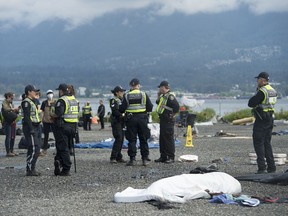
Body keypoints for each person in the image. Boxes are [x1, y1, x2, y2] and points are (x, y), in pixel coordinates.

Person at [248, 72, 277, 174]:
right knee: (267, 143)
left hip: (261, 119)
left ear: (262, 80)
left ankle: (262, 168)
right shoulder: (273, 90)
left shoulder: (262, 91)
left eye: (258, 79)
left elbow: (251, 103)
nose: (257, 81)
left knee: (258, 142)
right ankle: (272, 167)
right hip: (270, 118)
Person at [120, 78, 153, 166]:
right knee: (143, 139)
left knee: (132, 139)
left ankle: (132, 159)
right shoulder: (143, 94)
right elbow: (150, 107)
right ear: (138, 85)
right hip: (142, 118)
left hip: (131, 119)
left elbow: (121, 109)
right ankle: (144, 159)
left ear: (130, 86)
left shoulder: (127, 95)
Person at [53, 83, 79, 176]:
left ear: (61, 91)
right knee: (66, 146)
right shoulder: (74, 99)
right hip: (73, 126)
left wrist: (52, 114)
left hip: (63, 126)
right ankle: (58, 161)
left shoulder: (62, 100)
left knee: (63, 148)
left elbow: (59, 113)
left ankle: (66, 168)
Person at [155, 81, 180, 164]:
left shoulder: (170, 96)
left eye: (160, 87)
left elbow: (176, 107)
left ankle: (170, 157)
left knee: (168, 138)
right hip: (163, 119)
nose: (159, 89)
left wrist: (172, 115)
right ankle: (163, 156)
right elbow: (158, 102)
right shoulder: (163, 96)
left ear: (163, 87)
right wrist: (158, 95)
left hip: (168, 120)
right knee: (162, 138)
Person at [21, 85, 42, 176]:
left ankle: (30, 168)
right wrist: (31, 129)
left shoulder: (32, 101)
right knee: (35, 148)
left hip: (36, 126)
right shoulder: (26, 102)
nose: (35, 93)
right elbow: (26, 117)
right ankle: (30, 169)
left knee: (32, 148)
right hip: (31, 127)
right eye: (34, 91)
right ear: (29, 92)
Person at [109, 86, 126, 164]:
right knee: (118, 138)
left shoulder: (122, 100)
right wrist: (122, 115)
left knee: (121, 139)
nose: (122, 93)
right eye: (121, 91)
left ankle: (119, 156)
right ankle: (113, 157)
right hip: (116, 121)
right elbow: (115, 111)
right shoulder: (113, 100)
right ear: (117, 92)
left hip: (122, 122)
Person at [1, 92, 19, 157]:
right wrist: (13, 109)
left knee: (13, 136)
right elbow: (6, 109)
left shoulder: (11, 103)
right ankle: (8, 151)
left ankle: (12, 150)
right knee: (8, 137)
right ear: (8, 97)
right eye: (11, 98)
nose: (12, 99)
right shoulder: (4, 103)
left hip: (13, 121)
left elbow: (13, 111)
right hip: (7, 121)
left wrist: (16, 110)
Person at [39, 90, 56, 156]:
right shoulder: (44, 102)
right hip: (46, 121)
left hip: (53, 121)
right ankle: (45, 149)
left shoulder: (55, 102)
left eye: (51, 93)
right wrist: (41, 119)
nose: (50, 94)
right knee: (46, 136)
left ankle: (57, 149)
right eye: (48, 93)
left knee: (56, 135)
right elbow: (42, 111)